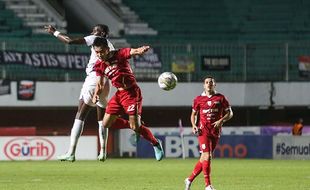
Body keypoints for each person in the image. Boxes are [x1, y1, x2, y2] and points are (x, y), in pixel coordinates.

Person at [44, 24, 118, 162]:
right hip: (106, 82)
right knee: (102, 119)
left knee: (80, 115)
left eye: (95, 30)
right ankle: (103, 151)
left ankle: (71, 152)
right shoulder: (110, 46)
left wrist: (54, 32)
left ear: (101, 33)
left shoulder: (96, 38)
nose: (92, 32)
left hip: (93, 80)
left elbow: (69, 41)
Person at [92, 37, 164, 161]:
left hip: (131, 93)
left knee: (136, 126)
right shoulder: (99, 65)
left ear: (108, 49)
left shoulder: (119, 54)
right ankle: (135, 125)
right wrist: (95, 95)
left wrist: (140, 50)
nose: (99, 55)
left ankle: (155, 144)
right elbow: (100, 84)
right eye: (97, 52)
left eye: (101, 51)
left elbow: (132, 51)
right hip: (118, 95)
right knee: (105, 124)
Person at [184, 76, 233, 190]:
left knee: (204, 158)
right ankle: (208, 185)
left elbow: (230, 113)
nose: (209, 84)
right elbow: (193, 114)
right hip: (203, 131)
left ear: (214, 84)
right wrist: (193, 125)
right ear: (204, 85)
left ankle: (189, 179)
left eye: (211, 82)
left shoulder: (221, 98)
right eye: (206, 82)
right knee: (207, 156)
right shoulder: (198, 99)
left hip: (215, 131)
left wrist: (221, 120)